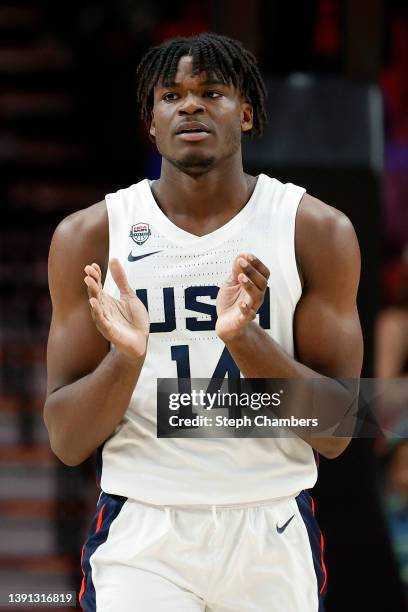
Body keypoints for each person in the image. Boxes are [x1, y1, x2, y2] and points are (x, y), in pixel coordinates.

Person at [44, 32, 363, 612]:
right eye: (171, 95)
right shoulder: (89, 235)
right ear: (151, 121)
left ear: (245, 113)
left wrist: (247, 340)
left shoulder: (315, 231)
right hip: (143, 527)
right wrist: (127, 359)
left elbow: (338, 430)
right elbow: (66, 441)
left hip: (271, 523)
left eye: (211, 91)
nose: (190, 105)